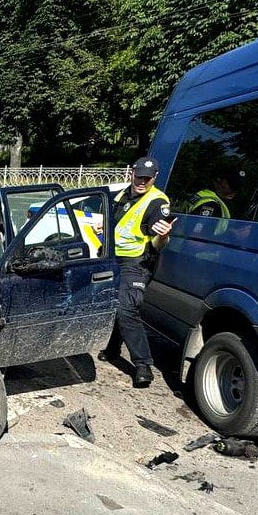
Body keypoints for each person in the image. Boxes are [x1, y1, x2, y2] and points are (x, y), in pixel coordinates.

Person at [98, 156, 175, 387]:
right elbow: (119, 223)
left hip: (137, 263)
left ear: (155, 178)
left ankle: (143, 365)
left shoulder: (157, 202)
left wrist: (163, 236)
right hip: (113, 258)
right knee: (112, 303)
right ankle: (112, 348)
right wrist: (105, 227)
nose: (142, 181)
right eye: (139, 175)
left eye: (147, 178)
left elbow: (157, 244)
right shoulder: (122, 195)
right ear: (132, 173)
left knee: (126, 308)